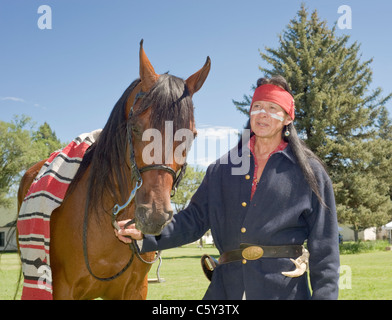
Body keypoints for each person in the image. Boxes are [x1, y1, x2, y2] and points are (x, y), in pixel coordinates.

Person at [115, 75, 340, 300]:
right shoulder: (222, 169)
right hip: (226, 289)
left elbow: (325, 249)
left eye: (273, 108)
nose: (263, 114)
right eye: (258, 106)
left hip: (283, 291)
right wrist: (145, 233)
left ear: (287, 118)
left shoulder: (311, 173)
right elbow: (193, 220)